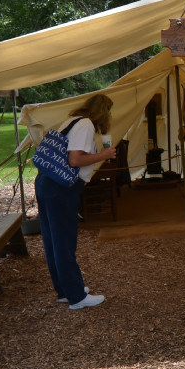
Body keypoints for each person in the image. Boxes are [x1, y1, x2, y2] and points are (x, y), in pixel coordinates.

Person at [34, 94, 117, 310]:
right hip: (60, 188)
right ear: (103, 112)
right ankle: (76, 297)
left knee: (53, 241)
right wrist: (104, 154)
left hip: (45, 181)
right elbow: (75, 159)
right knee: (64, 243)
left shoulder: (72, 121)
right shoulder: (86, 125)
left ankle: (65, 291)